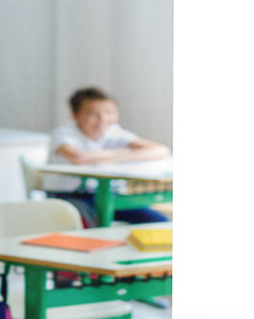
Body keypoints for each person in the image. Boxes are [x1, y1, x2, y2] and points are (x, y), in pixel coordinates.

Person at [42, 87, 171, 226]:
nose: (103, 119)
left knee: (159, 222)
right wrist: (127, 155)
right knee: (92, 227)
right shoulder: (63, 134)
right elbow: (77, 158)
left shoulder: (113, 132)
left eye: (109, 112)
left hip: (110, 196)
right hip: (68, 197)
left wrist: (113, 157)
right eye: (93, 114)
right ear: (75, 115)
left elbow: (161, 150)